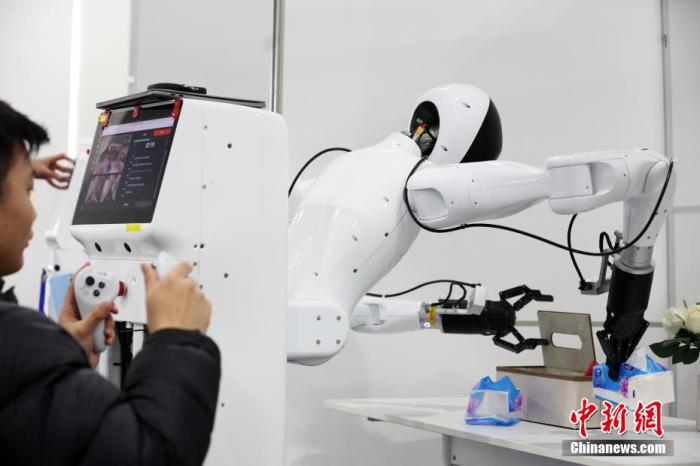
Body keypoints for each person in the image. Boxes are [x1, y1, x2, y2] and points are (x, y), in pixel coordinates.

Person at [0, 100, 221, 465]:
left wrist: (57, 368)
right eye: (28, 189)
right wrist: (178, 341)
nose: (33, 212)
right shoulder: (17, 341)